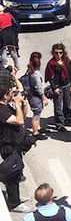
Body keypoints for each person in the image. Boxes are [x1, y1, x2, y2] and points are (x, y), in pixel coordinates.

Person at [0, 71, 31, 213]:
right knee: (12, 175)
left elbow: (22, 118)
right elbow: (18, 120)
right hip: (8, 147)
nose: (13, 94)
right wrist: (17, 104)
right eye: (10, 92)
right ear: (5, 95)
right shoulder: (1, 110)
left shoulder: (7, 106)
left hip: (16, 146)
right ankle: (14, 203)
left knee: (17, 171)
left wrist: (23, 105)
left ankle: (16, 197)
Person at [45, 43, 71, 131]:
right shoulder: (51, 63)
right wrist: (54, 88)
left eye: (60, 52)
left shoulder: (67, 61)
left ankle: (68, 119)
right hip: (58, 87)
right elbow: (50, 77)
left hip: (67, 85)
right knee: (58, 106)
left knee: (67, 104)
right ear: (53, 53)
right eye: (56, 53)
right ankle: (59, 124)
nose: (58, 55)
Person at [21, 52, 48, 140]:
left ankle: (38, 127)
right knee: (37, 113)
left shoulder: (30, 70)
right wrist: (43, 97)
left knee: (37, 112)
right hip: (35, 96)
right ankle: (35, 132)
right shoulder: (36, 74)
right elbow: (39, 87)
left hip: (30, 95)